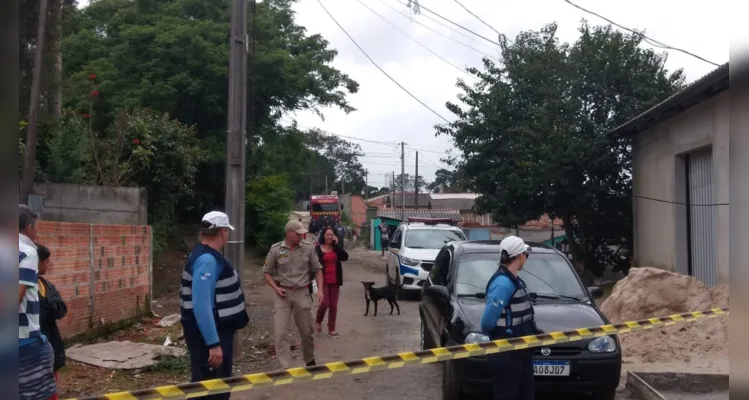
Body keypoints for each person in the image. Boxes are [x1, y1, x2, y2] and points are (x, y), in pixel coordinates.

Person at [180, 211, 249, 400]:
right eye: (227, 230)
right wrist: (213, 343)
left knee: (209, 387)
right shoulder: (207, 260)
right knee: (211, 391)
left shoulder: (203, 255)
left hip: (210, 333)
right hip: (210, 336)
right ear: (223, 232)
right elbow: (201, 304)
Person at [480, 236, 541, 400]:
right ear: (520, 255)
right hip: (507, 352)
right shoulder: (503, 284)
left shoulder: (514, 280)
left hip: (520, 350)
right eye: (525, 254)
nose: (526, 258)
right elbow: (487, 322)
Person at [263, 220, 323, 368]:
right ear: (289, 233)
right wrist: (275, 289)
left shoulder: (308, 249)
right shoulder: (276, 250)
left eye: (303, 233)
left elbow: (317, 269)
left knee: (307, 331)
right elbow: (267, 272)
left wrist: (320, 290)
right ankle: (285, 366)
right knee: (280, 332)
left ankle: (309, 360)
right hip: (282, 294)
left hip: (302, 293)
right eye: (298, 234)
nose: (302, 236)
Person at [18, 204, 57, 399]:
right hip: (24, 339)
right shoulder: (27, 251)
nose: (38, 231)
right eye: (37, 227)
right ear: (29, 228)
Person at [36, 243, 67, 400]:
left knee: (50, 390)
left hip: (49, 344)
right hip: (30, 351)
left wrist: (46, 303)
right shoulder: (22, 289)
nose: (49, 265)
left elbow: (61, 309)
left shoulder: (46, 285)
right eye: (46, 261)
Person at [314, 227, 349, 336]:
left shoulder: (336, 248)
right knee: (324, 303)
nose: (329, 237)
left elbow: (345, 257)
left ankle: (331, 329)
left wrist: (337, 245)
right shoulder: (318, 249)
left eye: (332, 235)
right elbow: (315, 266)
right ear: (323, 236)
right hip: (322, 280)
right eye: (327, 234)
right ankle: (318, 321)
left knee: (333, 305)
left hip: (335, 280)